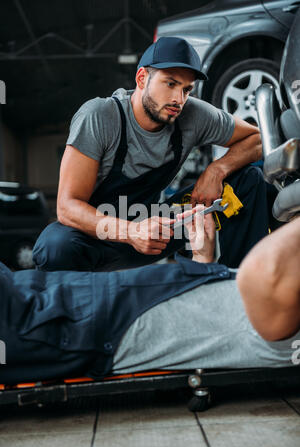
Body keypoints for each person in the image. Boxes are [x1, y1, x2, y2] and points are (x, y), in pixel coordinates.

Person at [32, 37, 270, 272]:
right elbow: (67, 206)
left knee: (247, 180)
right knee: (55, 246)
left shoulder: (192, 115)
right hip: (96, 237)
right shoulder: (100, 116)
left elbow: (258, 139)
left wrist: (217, 170)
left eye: (186, 89)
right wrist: (131, 232)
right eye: (170, 84)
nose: (179, 99)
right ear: (142, 78)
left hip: (156, 232)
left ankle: (240, 285)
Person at [1, 210, 299, 386]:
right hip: (62, 309)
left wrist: (202, 264)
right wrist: (203, 263)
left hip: (57, 321)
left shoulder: (275, 326)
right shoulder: (273, 319)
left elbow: (260, 278)